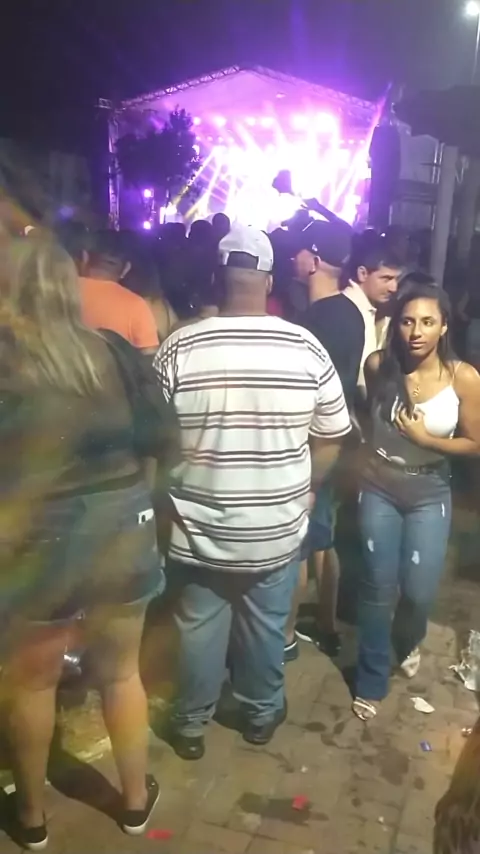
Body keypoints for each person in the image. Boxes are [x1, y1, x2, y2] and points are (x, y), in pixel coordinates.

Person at [154, 224, 351, 760]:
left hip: (198, 529)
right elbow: (333, 434)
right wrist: (307, 488)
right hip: (274, 528)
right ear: (268, 281)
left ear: (218, 278)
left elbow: (155, 439)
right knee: (265, 627)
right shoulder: (304, 346)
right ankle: (260, 715)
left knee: (197, 629)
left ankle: (190, 725)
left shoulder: (179, 346)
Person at [0, 237, 168, 848]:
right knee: (121, 673)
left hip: (40, 536)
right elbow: (160, 436)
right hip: (122, 522)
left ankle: (31, 817)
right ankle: (134, 803)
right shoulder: (114, 351)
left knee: (32, 682)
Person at [353, 279, 480, 721]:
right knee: (376, 585)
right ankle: (370, 678)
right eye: (407, 321)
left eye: (427, 322)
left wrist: (427, 441)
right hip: (379, 486)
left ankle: (407, 640)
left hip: (430, 491)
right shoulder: (378, 365)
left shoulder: (463, 377)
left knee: (419, 590)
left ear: (444, 326)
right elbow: (369, 419)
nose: (416, 332)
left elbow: (475, 442)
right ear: (396, 325)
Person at [284, 219, 365, 660]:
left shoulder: (313, 321)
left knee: (298, 544)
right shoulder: (350, 312)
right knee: (324, 536)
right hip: (339, 436)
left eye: (299, 251)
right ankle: (328, 626)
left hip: (313, 443)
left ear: (313, 260)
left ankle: (285, 635)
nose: (293, 257)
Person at [79, 230, 159, 354]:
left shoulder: (61, 288)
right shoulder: (136, 306)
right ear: (126, 268)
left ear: (85, 257)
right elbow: (149, 357)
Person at [343, 237, 403, 393]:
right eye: (386, 279)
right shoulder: (347, 312)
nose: (394, 287)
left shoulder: (378, 310)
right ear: (362, 274)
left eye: (396, 279)